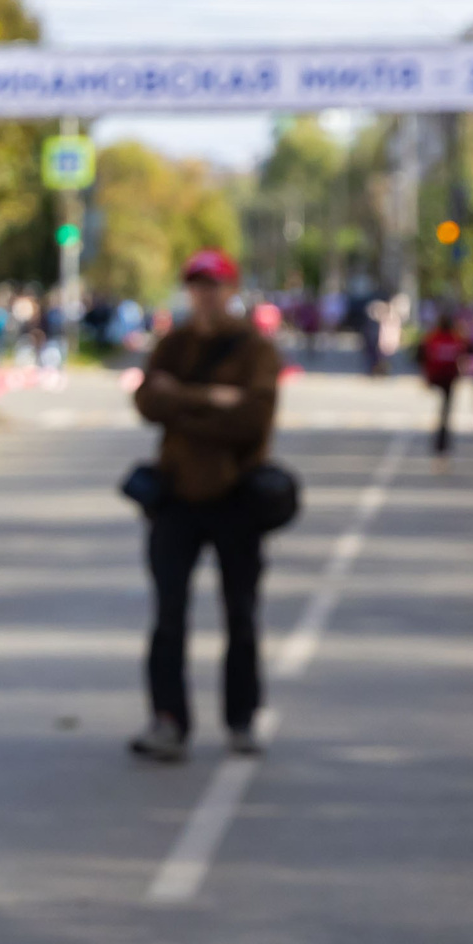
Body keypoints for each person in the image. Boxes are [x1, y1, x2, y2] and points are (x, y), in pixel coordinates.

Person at [129, 248, 282, 762]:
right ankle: (168, 720)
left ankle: (241, 721)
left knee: (241, 614)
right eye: (197, 284)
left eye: (215, 284)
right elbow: (148, 402)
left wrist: (185, 399)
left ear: (231, 289)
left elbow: (253, 419)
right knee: (167, 615)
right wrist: (218, 398)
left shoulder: (256, 348)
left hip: (237, 495)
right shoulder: (173, 343)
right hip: (176, 497)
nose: (206, 293)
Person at [420, 308, 468, 456]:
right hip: (448, 378)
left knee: (443, 411)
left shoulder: (434, 338)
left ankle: (441, 440)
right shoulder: (455, 338)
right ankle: (442, 440)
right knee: (445, 410)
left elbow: (422, 355)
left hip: (439, 376)